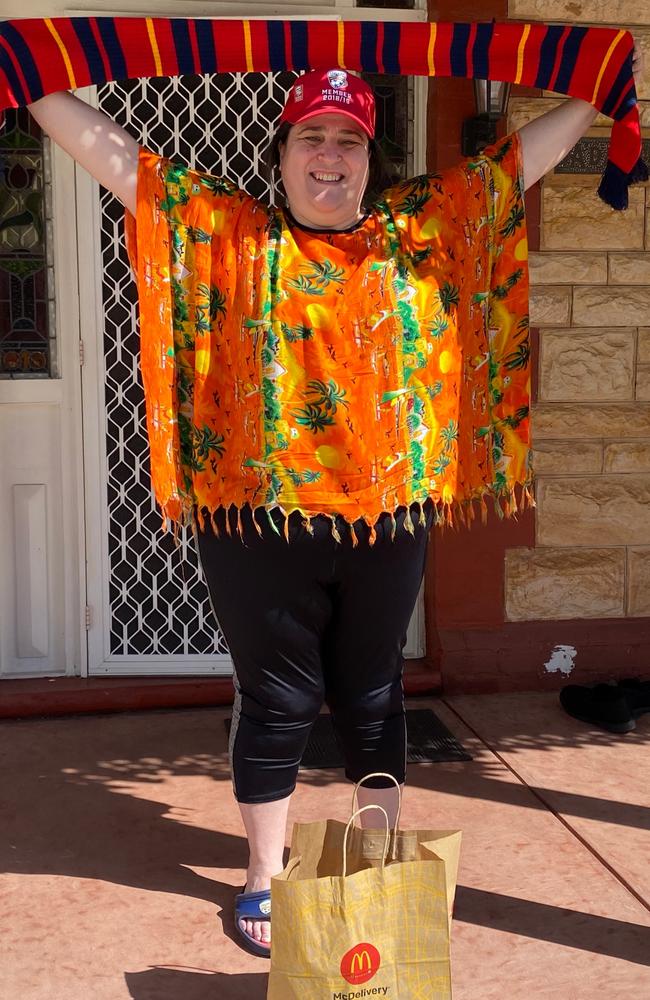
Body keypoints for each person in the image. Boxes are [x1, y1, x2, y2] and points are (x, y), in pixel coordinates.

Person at [27, 45, 643, 958]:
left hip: (390, 515)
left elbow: (520, 162)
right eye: (311, 135)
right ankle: (262, 879)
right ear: (280, 153)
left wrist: (600, 91)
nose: (329, 153)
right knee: (275, 700)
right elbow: (109, 151)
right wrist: (29, 74)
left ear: (369, 157)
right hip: (259, 518)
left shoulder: (417, 228)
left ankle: (374, 867)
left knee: (373, 695)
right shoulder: (229, 230)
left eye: (348, 139)